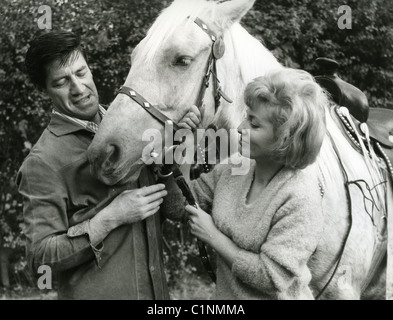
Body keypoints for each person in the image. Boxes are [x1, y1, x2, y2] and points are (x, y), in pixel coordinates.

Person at [16, 31, 200, 300]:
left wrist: (178, 145)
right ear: (46, 90)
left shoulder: (134, 127)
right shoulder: (42, 163)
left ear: (90, 69)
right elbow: (40, 260)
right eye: (61, 82)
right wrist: (111, 217)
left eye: (81, 72)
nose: (78, 88)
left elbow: (174, 209)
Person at [163, 68, 328, 299]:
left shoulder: (300, 197)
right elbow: (178, 207)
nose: (240, 128)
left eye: (254, 123)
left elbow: (272, 278)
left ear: (285, 137)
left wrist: (213, 236)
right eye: (246, 116)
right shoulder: (235, 167)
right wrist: (185, 147)